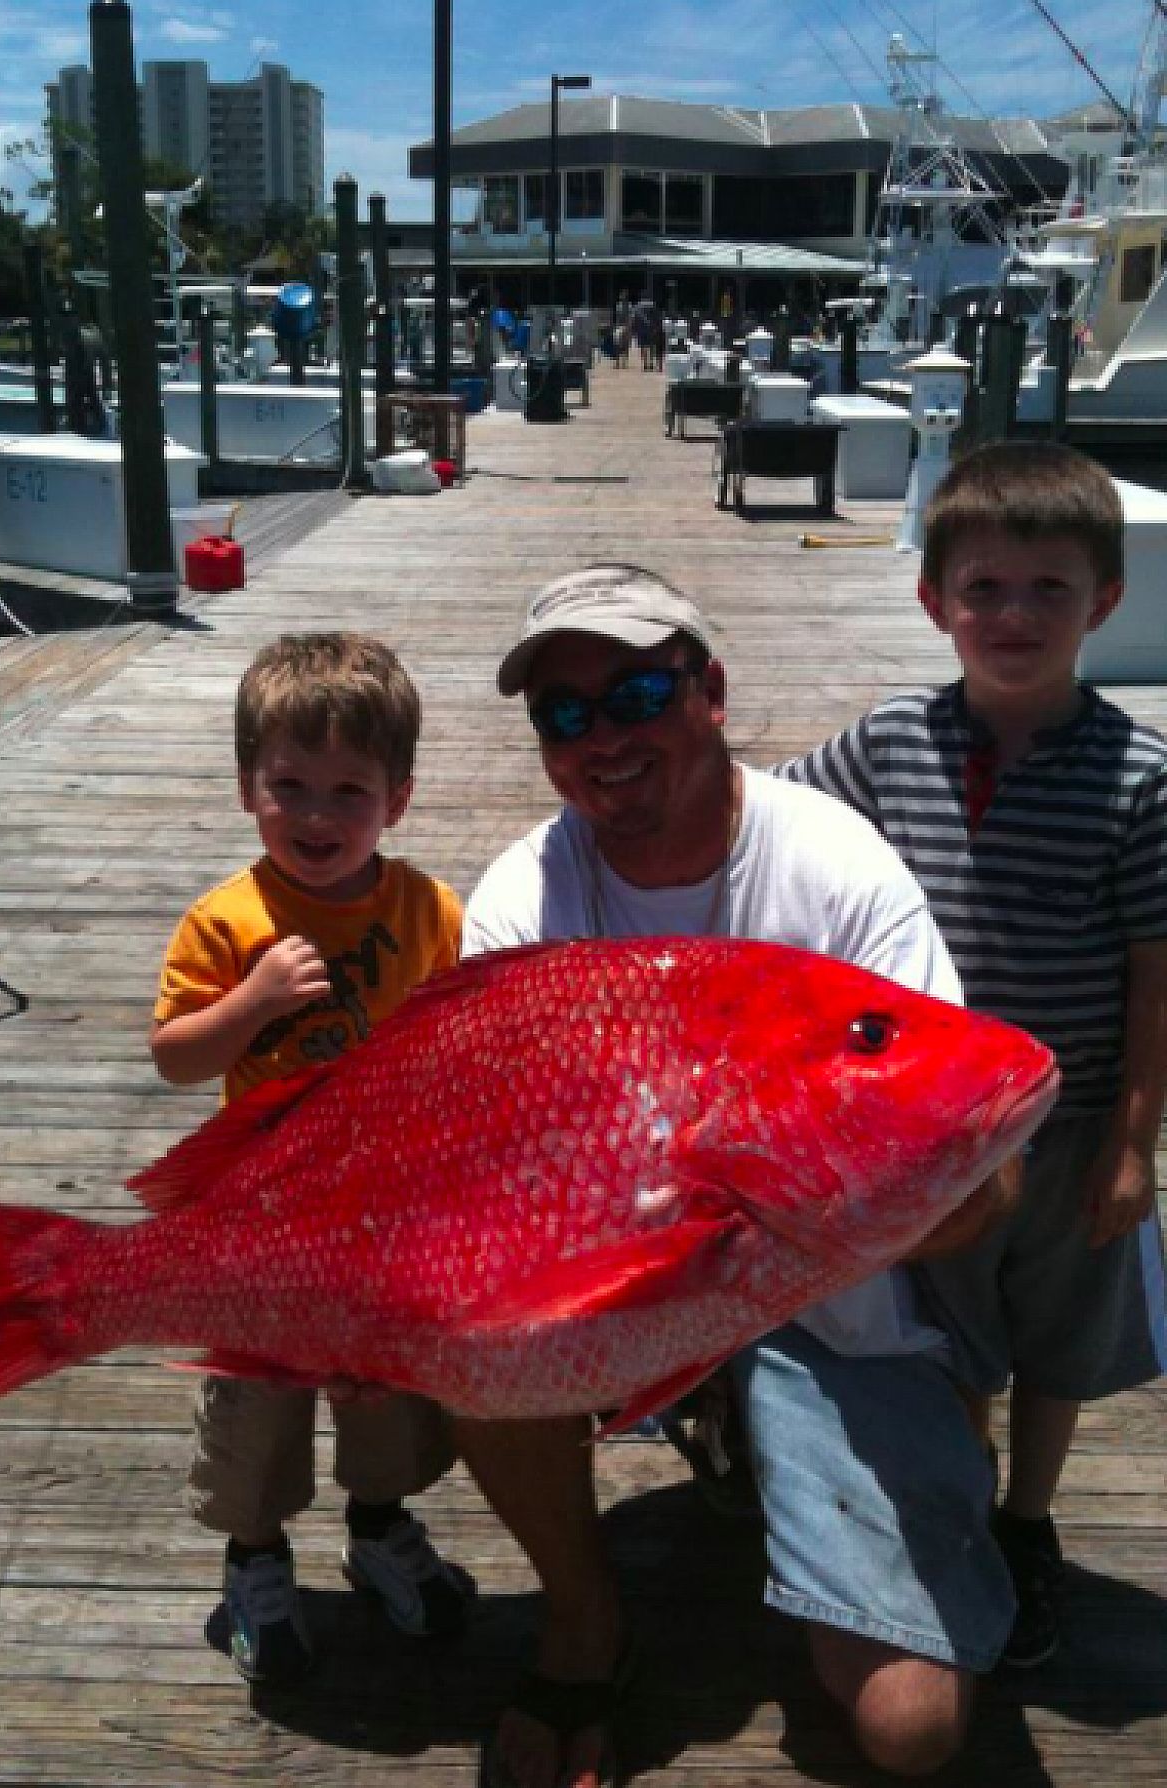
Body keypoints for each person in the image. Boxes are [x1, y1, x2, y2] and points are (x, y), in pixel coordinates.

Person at [458, 563, 1018, 1788]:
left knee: (912, 1734)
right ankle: (584, 1619)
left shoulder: (835, 865)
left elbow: (983, 1176)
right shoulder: (518, 905)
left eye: (637, 694)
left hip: (839, 1311)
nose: (603, 738)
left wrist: (811, 1224)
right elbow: (491, 1181)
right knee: (452, 1326)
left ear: (709, 691)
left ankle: (819, 1448)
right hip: (623, 1290)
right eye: (564, 714)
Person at [775, 441, 1167, 1669]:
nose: (1014, 616)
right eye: (984, 588)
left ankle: (1027, 1522)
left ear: (1104, 601)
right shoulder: (889, 740)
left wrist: (1133, 1146)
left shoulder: (1142, 775)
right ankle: (957, 1505)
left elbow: (1156, 979)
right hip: (929, 1133)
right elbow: (773, 819)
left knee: (1059, 1340)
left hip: (1073, 1125)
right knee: (946, 1333)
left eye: (1051, 589)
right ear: (932, 599)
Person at [150, 631, 474, 1687]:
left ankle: (378, 1525)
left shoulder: (428, 911)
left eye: (350, 791)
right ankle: (253, 1556)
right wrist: (250, 1004)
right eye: (290, 786)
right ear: (249, 786)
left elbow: (455, 1038)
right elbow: (176, 1058)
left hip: (388, 1209)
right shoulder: (226, 922)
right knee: (260, 1400)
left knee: (390, 1391)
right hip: (261, 1215)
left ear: (398, 798)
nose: (318, 816)